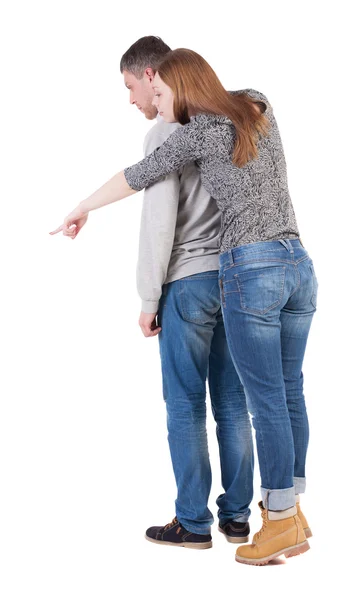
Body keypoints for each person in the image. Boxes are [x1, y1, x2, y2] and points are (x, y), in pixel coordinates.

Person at [50, 48, 318, 566]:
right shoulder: (257, 103)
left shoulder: (188, 133)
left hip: (244, 269)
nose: (157, 102)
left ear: (173, 84)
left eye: (162, 93)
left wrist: (83, 209)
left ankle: (266, 520)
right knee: (281, 396)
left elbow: (138, 179)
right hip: (298, 263)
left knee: (230, 404)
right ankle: (280, 512)